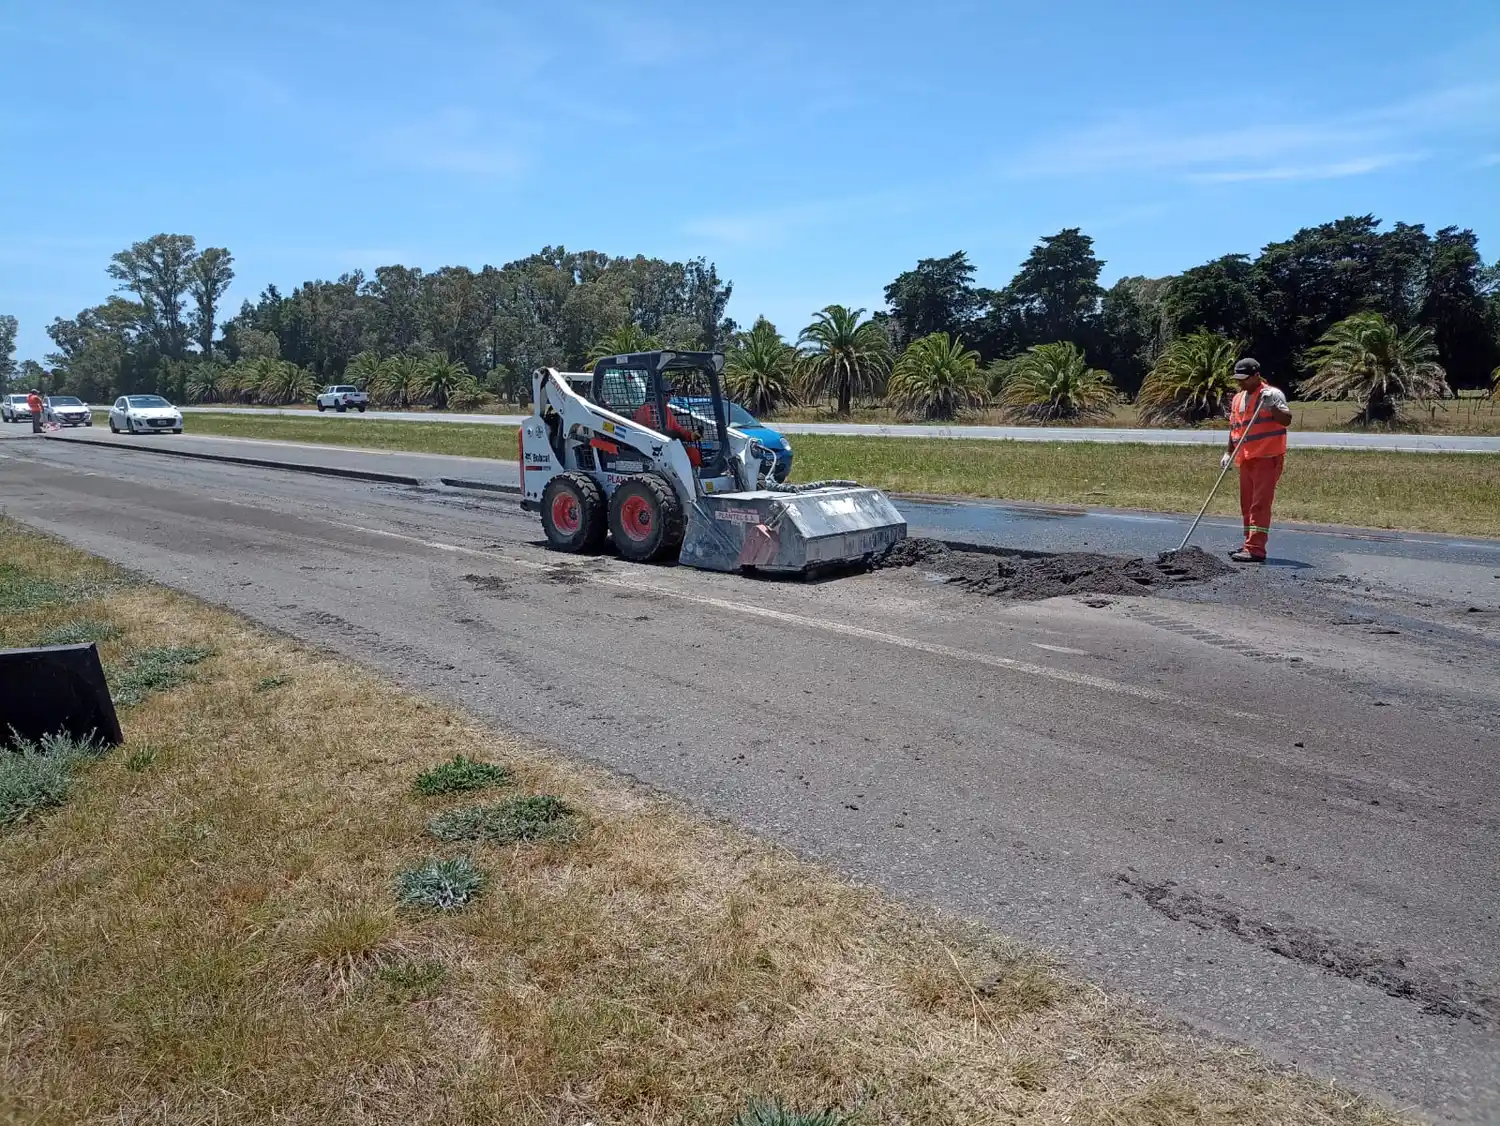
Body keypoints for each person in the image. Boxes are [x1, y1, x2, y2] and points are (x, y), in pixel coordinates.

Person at [1221, 358, 1292, 563]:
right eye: (1238, 379)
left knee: (1259, 505)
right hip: (1246, 458)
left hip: (1267, 457)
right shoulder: (1237, 398)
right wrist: (1228, 452)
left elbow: (1286, 420)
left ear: (1256, 376)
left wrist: (1272, 407)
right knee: (1247, 504)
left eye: (1244, 379)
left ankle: (1256, 549)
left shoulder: (1271, 395)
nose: (1240, 383)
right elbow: (1235, 428)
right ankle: (1248, 543)